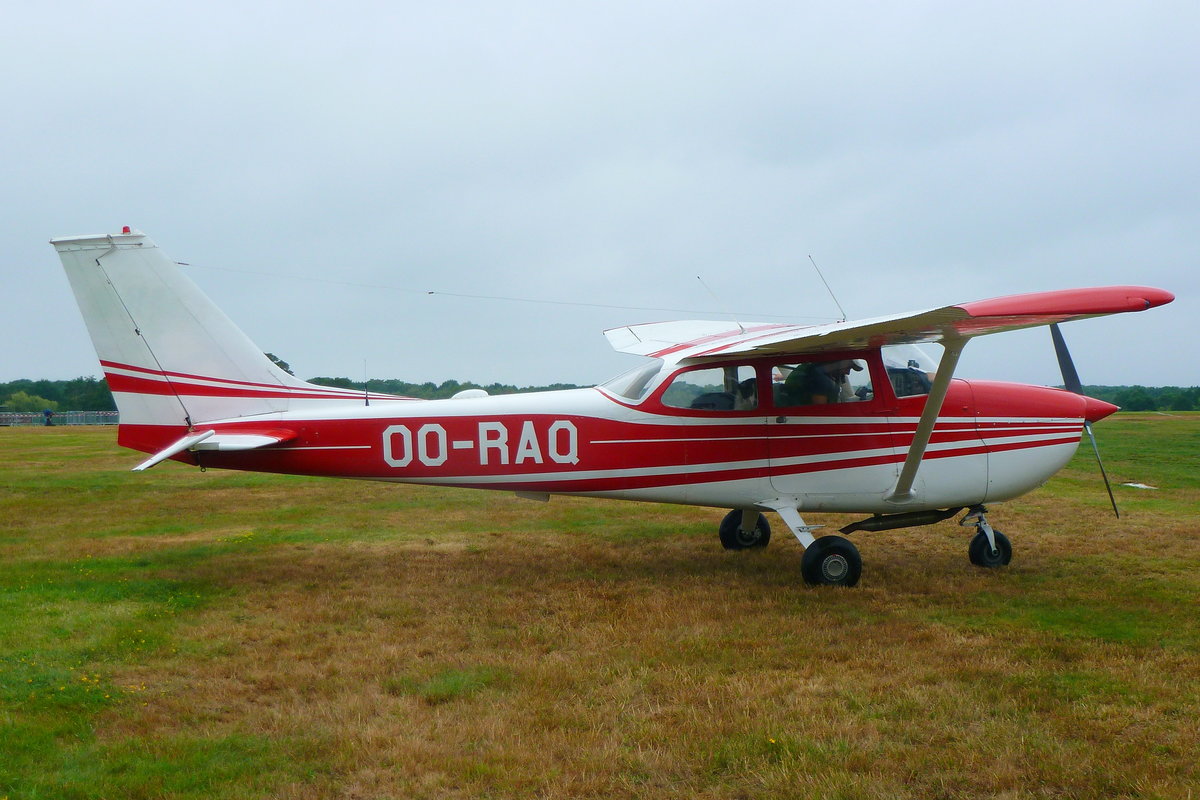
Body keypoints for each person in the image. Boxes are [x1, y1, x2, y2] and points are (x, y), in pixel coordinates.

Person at [782, 360, 861, 405]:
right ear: (840, 363)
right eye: (848, 368)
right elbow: (821, 410)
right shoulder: (820, 378)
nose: (848, 373)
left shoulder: (815, 370)